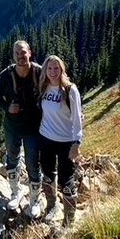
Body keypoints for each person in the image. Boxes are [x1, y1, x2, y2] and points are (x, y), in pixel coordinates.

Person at [0, 40, 43, 214]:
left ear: (30, 53)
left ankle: (35, 200)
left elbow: (56, 87)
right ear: (13, 56)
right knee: (12, 159)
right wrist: (7, 108)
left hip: (33, 128)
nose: (21, 57)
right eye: (17, 54)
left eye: (23, 53)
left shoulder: (39, 72)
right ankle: (16, 192)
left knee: (32, 163)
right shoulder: (5, 76)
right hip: (12, 127)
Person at [38, 54, 83, 225]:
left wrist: (77, 142)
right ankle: (51, 206)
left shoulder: (70, 90)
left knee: (67, 180)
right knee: (48, 175)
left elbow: (78, 118)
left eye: (56, 68)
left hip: (66, 141)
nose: (53, 71)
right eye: (49, 68)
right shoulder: (44, 87)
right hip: (46, 138)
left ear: (62, 69)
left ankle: (69, 220)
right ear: (45, 70)